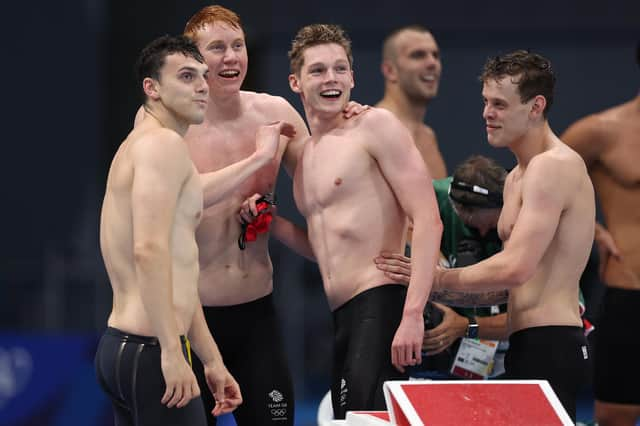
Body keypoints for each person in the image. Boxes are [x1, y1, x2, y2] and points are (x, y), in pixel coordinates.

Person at [125, 7, 364, 426]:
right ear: (192, 59)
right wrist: (258, 160)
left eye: (238, 46)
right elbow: (175, 204)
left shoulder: (274, 113)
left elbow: (329, 189)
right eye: (216, 48)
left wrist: (347, 125)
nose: (231, 58)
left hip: (257, 315)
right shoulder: (163, 124)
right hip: (189, 318)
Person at [95, 34, 290, 425]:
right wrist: (171, 350)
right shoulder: (161, 146)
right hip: (152, 350)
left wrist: (211, 361)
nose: (202, 85)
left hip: (126, 348)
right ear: (152, 88)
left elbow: (181, 274)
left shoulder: (145, 146)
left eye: (202, 76)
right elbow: (148, 251)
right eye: (186, 76)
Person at [391, 50, 593, 422]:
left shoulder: (554, 167)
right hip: (523, 341)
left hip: (551, 342)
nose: (487, 113)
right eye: (485, 102)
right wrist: (433, 289)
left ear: (536, 106)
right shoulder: (516, 177)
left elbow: (517, 268)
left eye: (499, 104)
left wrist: (438, 278)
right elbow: (515, 286)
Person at [286, 24, 443, 419]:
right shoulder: (306, 156)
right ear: (296, 82)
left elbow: (428, 219)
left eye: (340, 69)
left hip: (382, 302)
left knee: (362, 418)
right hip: (342, 314)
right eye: (318, 71)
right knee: (347, 419)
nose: (331, 79)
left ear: (354, 78)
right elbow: (326, 245)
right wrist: (271, 223)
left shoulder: (375, 126)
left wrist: (412, 315)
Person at [560, 42, 640, 426]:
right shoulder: (604, 131)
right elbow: (537, 178)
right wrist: (590, 228)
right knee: (616, 416)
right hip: (629, 289)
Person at [376, 25, 447, 179]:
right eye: (418, 55)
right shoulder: (373, 129)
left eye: (435, 55)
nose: (432, 63)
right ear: (390, 70)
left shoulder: (428, 137)